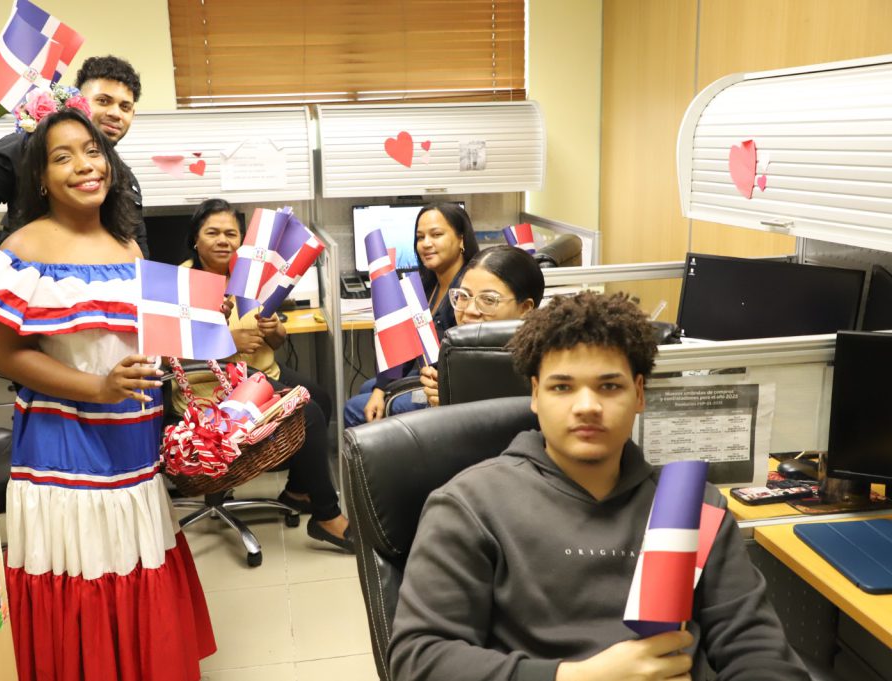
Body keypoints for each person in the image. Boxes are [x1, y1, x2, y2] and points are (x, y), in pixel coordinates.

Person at [388, 292, 810, 681]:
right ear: (535, 395)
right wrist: (577, 678)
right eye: (562, 387)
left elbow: (756, 648)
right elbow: (420, 659)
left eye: (609, 386)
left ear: (640, 394)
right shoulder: (471, 506)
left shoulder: (689, 503)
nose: (587, 406)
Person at [0, 107, 215, 680]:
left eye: (93, 151)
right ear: (40, 177)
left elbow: (145, 344)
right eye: (63, 156)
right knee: (85, 566)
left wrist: (208, 331)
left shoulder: (127, 246)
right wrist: (99, 387)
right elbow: (7, 355)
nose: (85, 166)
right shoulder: (24, 247)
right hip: (63, 449)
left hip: (134, 444)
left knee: (133, 559)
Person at [175, 198, 352, 552]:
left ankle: (299, 490)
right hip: (212, 386)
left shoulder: (249, 276)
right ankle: (326, 516)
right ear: (195, 239)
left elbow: (276, 338)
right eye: (213, 232)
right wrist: (229, 342)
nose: (223, 240)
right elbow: (171, 352)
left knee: (321, 396)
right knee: (308, 413)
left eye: (231, 233)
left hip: (259, 371)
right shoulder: (182, 281)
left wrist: (274, 329)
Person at [0, 55, 150, 257]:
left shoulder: (123, 176)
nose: (115, 113)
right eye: (103, 101)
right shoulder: (27, 148)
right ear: (78, 101)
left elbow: (139, 248)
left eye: (125, 107)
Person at [344, 202, 479, 426]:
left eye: (436, 234)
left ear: (461, 239)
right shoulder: (427, 286)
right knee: (368, 388)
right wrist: (380, 388)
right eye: (420, 237)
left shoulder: (467, 291)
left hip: (445, 389)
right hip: (426, 376)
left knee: (353, 409)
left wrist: (383, 391)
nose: (426, 244)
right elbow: (407, 348)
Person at [418, 244, 544, 407]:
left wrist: (452, 408)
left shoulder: (542, 366)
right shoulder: (455, 350)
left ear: (525, 309)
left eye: (489, 300)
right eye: (463, 296)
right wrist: (441, 401)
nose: (470, 310)